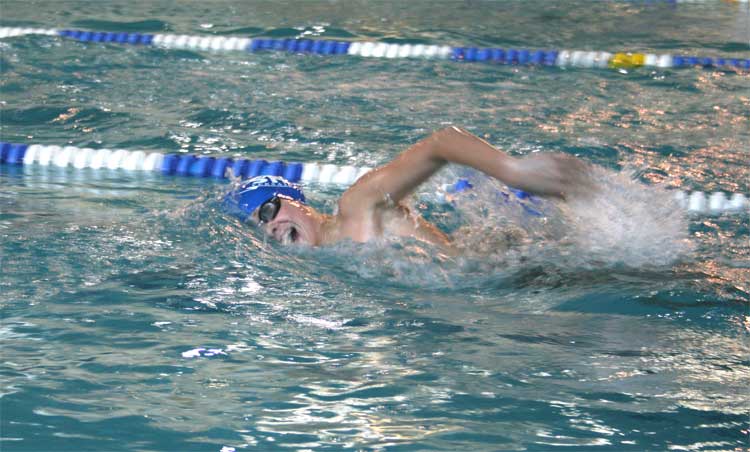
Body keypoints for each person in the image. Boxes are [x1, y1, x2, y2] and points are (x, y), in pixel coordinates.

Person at [225, 126, 591, 249]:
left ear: (298, 203)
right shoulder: (330, 258)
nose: (269, 226)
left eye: (268, 210)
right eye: (258, 225)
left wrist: (513, 171)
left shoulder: (357, 208)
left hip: (529, 275)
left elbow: (442, 143)